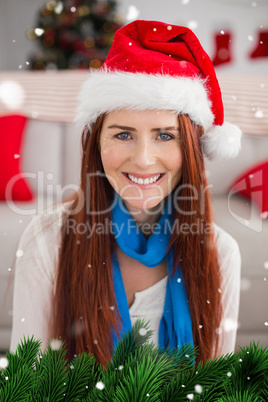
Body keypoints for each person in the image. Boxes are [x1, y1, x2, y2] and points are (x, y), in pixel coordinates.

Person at [10, 20, 242, 367]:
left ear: (190, 149)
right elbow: (28, 382)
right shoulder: (47, 240)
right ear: (96, 144)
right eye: (123, 135)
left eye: (165, 135)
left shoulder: (221, 253)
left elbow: (217, 383)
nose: (144, 159)